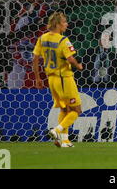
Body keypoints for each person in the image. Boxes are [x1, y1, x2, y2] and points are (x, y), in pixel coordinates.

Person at [32, 12, 83, 148]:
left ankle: (64, 140)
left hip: (51, 80)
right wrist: (78, 66)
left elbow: (35, 59)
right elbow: (70, 58)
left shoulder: (42, 38)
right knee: (76, 110)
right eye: (65, 22)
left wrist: (37, 78)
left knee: (64, 109)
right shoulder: (63, 40)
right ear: (58, 24)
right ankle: (56, 130)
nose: (66, 24)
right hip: (64, 79)